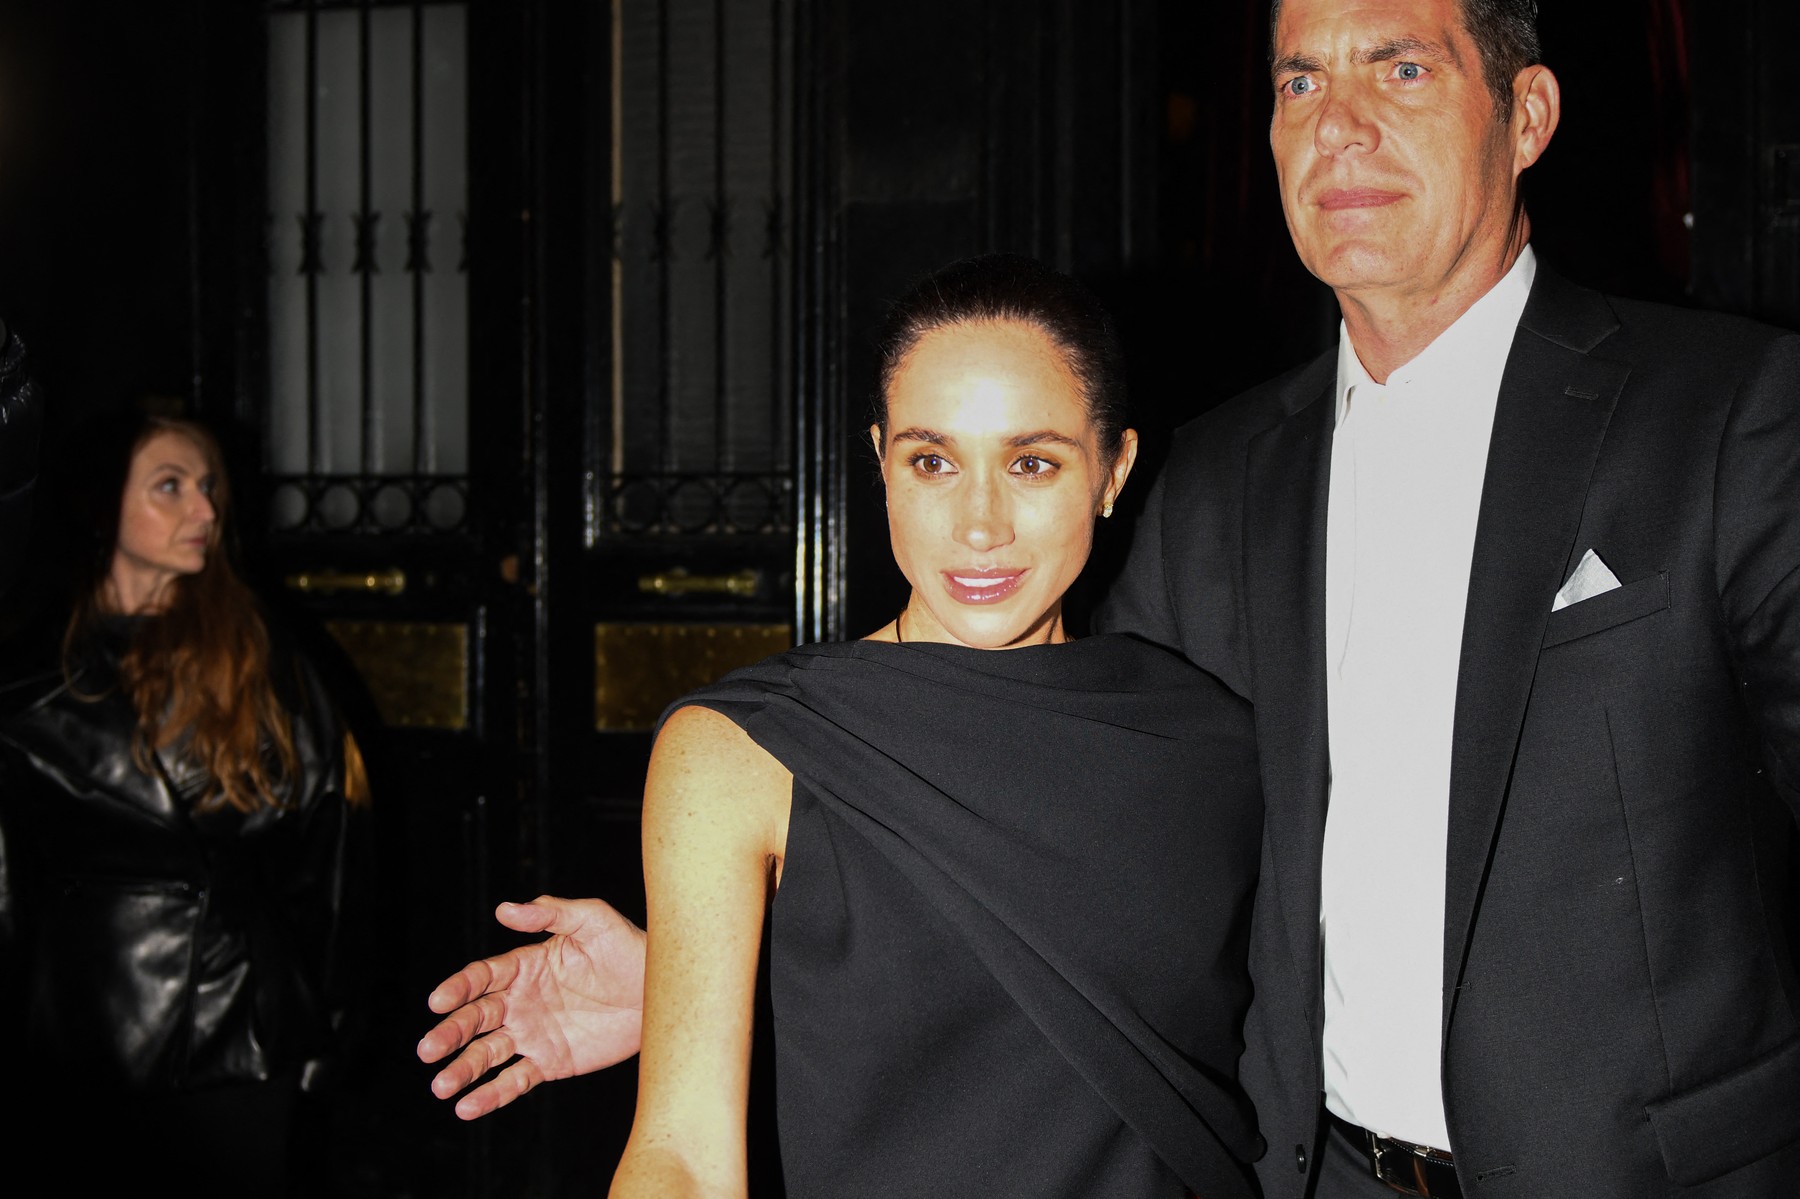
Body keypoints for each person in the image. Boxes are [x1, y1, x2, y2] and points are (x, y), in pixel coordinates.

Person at [424, 1, 1800, 1194]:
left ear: (1529, 113)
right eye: (1299, 79)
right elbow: (1048, 817)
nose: (1338, 124)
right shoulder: (1214, 484)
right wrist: (702, 975)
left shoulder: (1730, 414)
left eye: (1401, 68)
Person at [434, 255, 1267, 1197]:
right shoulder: (742, 750)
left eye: (1031, 462)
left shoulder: (1213, 746)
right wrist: (697, 986)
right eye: (932, 461)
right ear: (881, 464)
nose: (979, 524)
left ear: (1114, 470)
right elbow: (684, 1157)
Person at [0, 409, 365, 1195]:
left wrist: (322, 1024)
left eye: (208, 487)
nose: (204, 508)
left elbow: (328, 855)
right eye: (170, 486)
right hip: (77, 1034)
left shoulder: (266, 660)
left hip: (239, 1029)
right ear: (103, 504)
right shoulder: (30, 675)